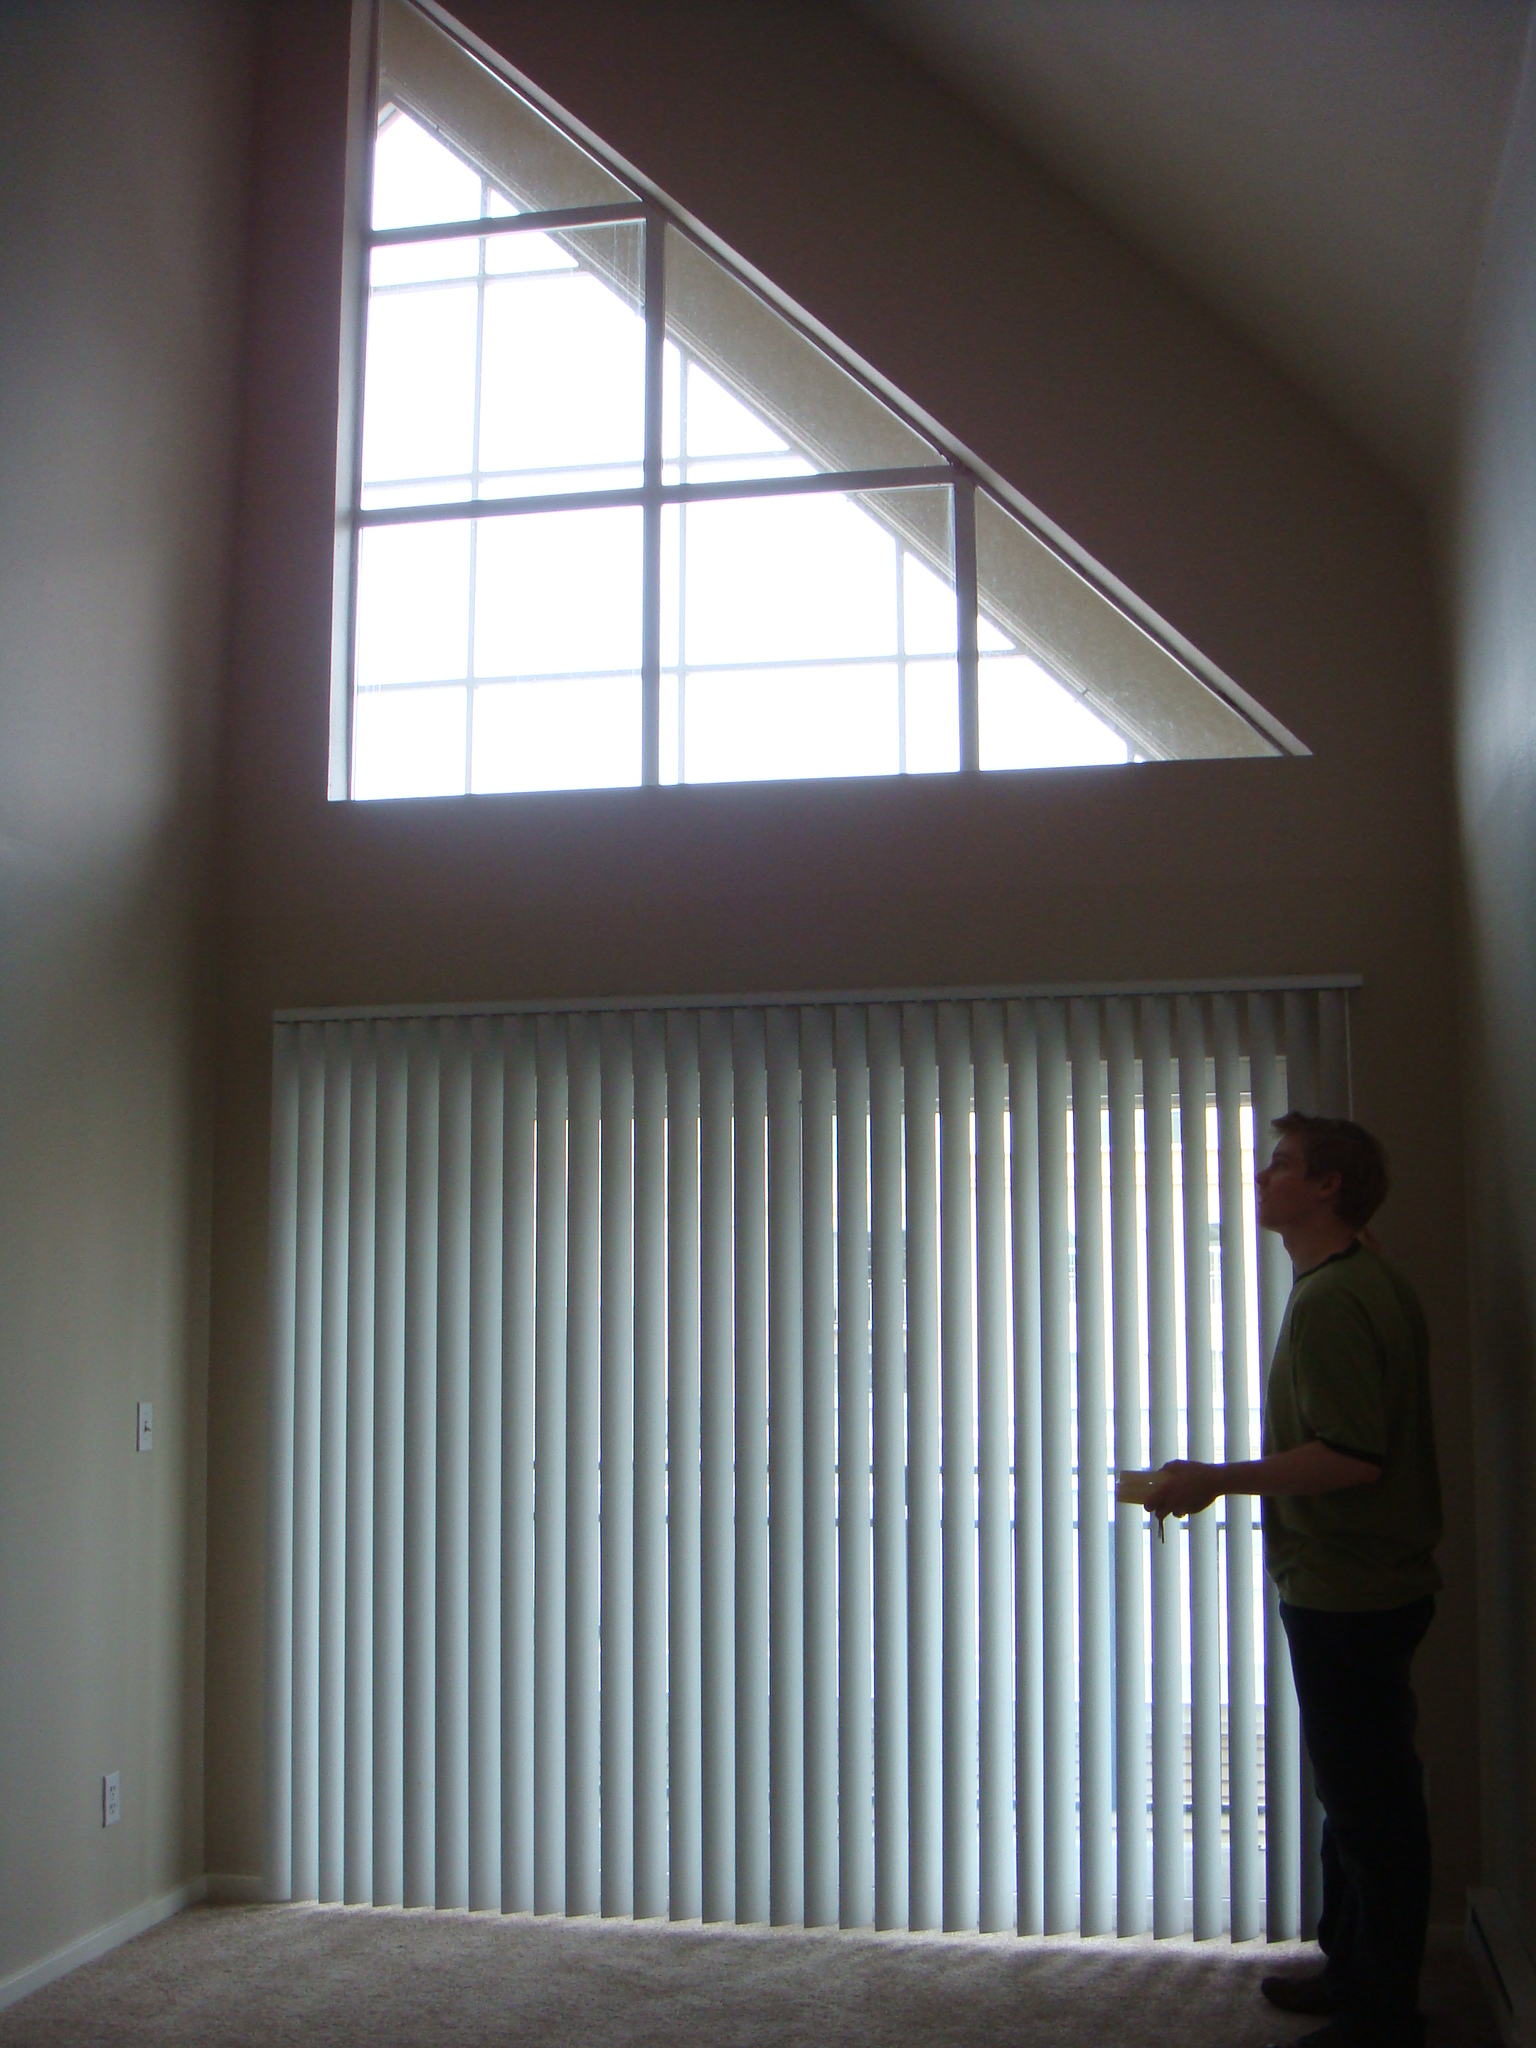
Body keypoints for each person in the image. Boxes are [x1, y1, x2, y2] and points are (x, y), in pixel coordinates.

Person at [1145, 1112, 1441, 2048]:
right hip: (1359, 1581)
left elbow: (1353, 1457)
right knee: (1351, 1790)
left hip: (1352, 1586)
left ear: (1328, 1189)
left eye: (1283, 1165)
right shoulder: (1352, 1281)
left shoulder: (1336, 1301)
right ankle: (1348, 1967)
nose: (1263, 1176)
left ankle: (1382, 2013)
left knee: (1370, 1803)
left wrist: (1210, 1481)